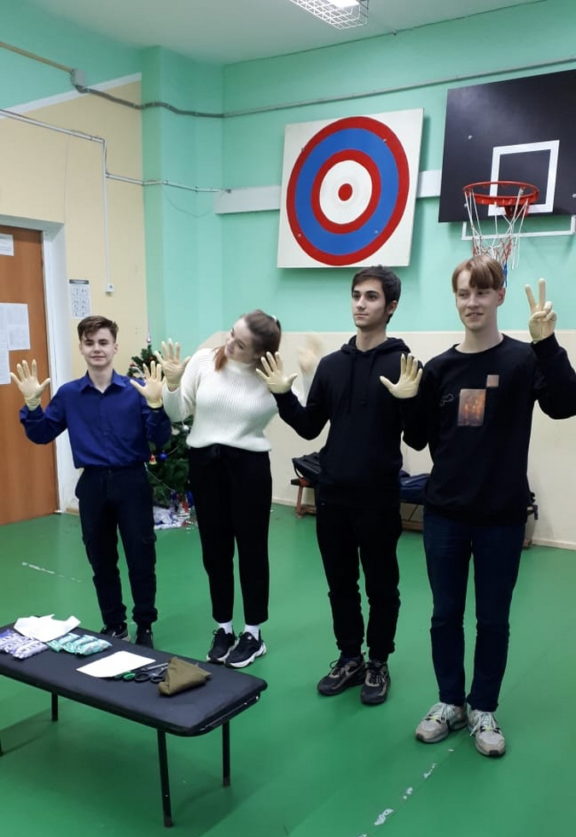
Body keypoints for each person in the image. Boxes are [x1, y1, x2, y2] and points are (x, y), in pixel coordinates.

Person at [385, 259, 576, 756]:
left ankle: (483, 707)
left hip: (501, 516)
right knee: (444, 615)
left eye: (482, 292)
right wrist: (408, 401)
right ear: (456, 299)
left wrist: (548, 345)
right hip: (445, 513)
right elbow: (418, 438)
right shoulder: (439, 368)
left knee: (492, 619)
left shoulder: (523, 360)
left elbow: (565, 404)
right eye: (463, 293)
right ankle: (450, 702)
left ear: (499, 296)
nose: (472, 302)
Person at [256, 266, 413, 706]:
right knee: (340, 584)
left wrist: (412, 402)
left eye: (371, 297)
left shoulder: (403, 365)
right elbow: (309, 427)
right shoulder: (332, 366)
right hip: (334, 495)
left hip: (379, 497)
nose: (360, 303)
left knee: (382, 586)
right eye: (356, 295)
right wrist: (282, 394)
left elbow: (419, 436)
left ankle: (378, 661)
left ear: (391, 307)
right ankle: (350, 657)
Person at [158, 311, 312, 669]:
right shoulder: (204, 361)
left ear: (259, 353)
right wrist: (171, 385)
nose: (229, 344)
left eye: (240, 344)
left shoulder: (269, 376)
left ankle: (253, 634)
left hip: (249, 468)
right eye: (231, 334)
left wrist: (306, 374)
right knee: (215, 551)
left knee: (252, 551)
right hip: (205, 465)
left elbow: (303, 417)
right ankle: (223, 628)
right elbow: (177, 413)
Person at [11, 315, 171, 648]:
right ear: (81, 348)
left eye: (103, 342)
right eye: (89, 343)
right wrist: (32, 405)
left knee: (141, 557)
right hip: (93, 484)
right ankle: (114, 624)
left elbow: (160, 438)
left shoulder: (136, 391)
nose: (96, 348)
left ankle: (144, 625)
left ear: (115, 347)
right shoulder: (69, 394)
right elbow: (42, 434)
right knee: (101, 559)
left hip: (131, 482)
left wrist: (156, 405)